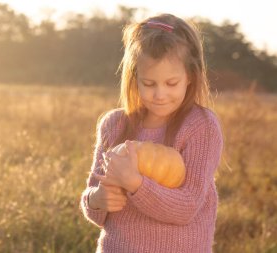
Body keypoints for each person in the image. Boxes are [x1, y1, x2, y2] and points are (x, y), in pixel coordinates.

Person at [79, 13, 223, 253]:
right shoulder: (114, 125)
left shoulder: (201, 126)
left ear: (190, 76)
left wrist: (135, 184)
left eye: (171, 83)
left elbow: (187, 207)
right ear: (134, 77)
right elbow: (95, 200)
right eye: (149, 83)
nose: (160, 94)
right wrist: (97, 200)